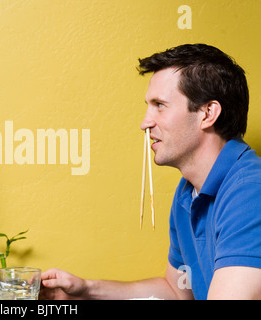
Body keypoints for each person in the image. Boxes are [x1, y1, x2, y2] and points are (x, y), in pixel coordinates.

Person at [40, 44, 261, 300]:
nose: (145, 123)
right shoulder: (187, 192)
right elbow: (177, 292)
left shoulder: (250, 191)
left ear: (207, 113)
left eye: (160, 105)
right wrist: (86, 290)